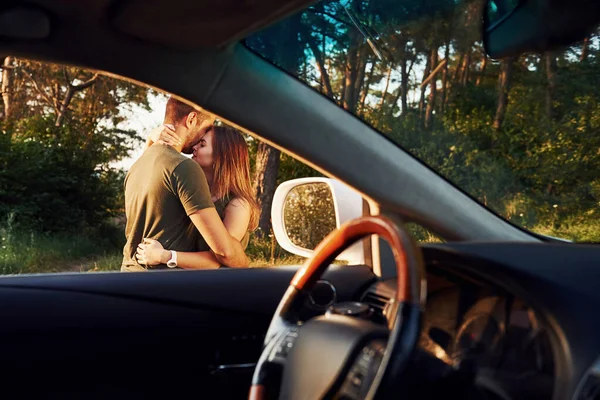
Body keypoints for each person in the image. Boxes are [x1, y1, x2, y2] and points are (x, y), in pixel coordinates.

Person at [121, 96, 248, 271]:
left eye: (203, 143)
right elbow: (225, 253)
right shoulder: (183, 167)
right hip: (162, 284)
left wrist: (151, 141)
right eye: (205, 130)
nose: (198, 142)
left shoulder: (138, 165)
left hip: (127, 275)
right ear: (191, 119)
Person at [135, 124, 259, 269]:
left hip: (220, 285)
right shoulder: (198, 190)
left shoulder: (238, 205)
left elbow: (219, 260)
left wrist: (164, 255)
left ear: (222, 155)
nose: (194, 147)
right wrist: (150, 140)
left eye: (202, 144)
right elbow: (147, 177)